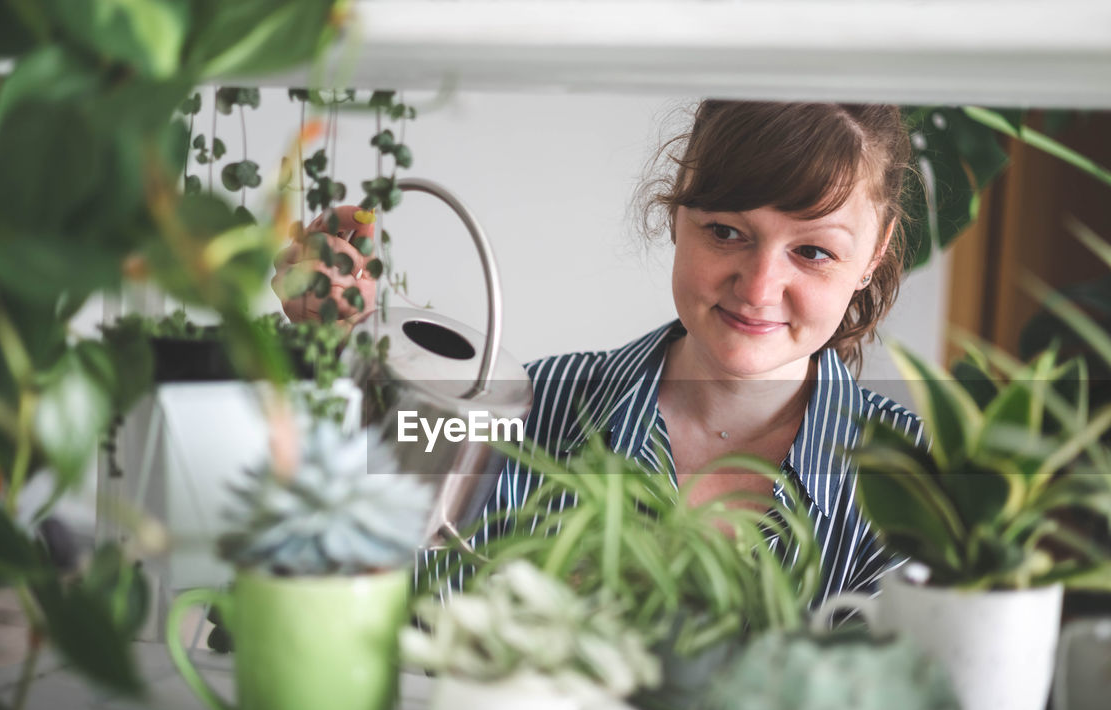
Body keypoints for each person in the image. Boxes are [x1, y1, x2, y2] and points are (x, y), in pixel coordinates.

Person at [275, 100, 923, 604]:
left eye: (812, 251)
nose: (758, 288)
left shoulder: (917, 482)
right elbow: (353, 571)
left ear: (874, 252)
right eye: (725, 232)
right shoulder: (529, 409)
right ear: (678, 215)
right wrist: (329, 354)